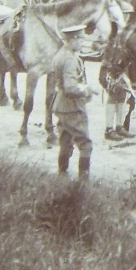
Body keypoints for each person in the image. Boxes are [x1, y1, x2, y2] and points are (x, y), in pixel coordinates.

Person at [50, 22, 97, 180]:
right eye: (81, 40)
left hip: (60, 106)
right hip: (72, 108)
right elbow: (70, 87)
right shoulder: (69, 59)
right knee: (85, 145)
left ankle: (62, 175)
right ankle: (83, 181)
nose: (82, 43)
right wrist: (86, 89)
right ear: (73, 40)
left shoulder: (60, 54)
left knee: (65, 142)